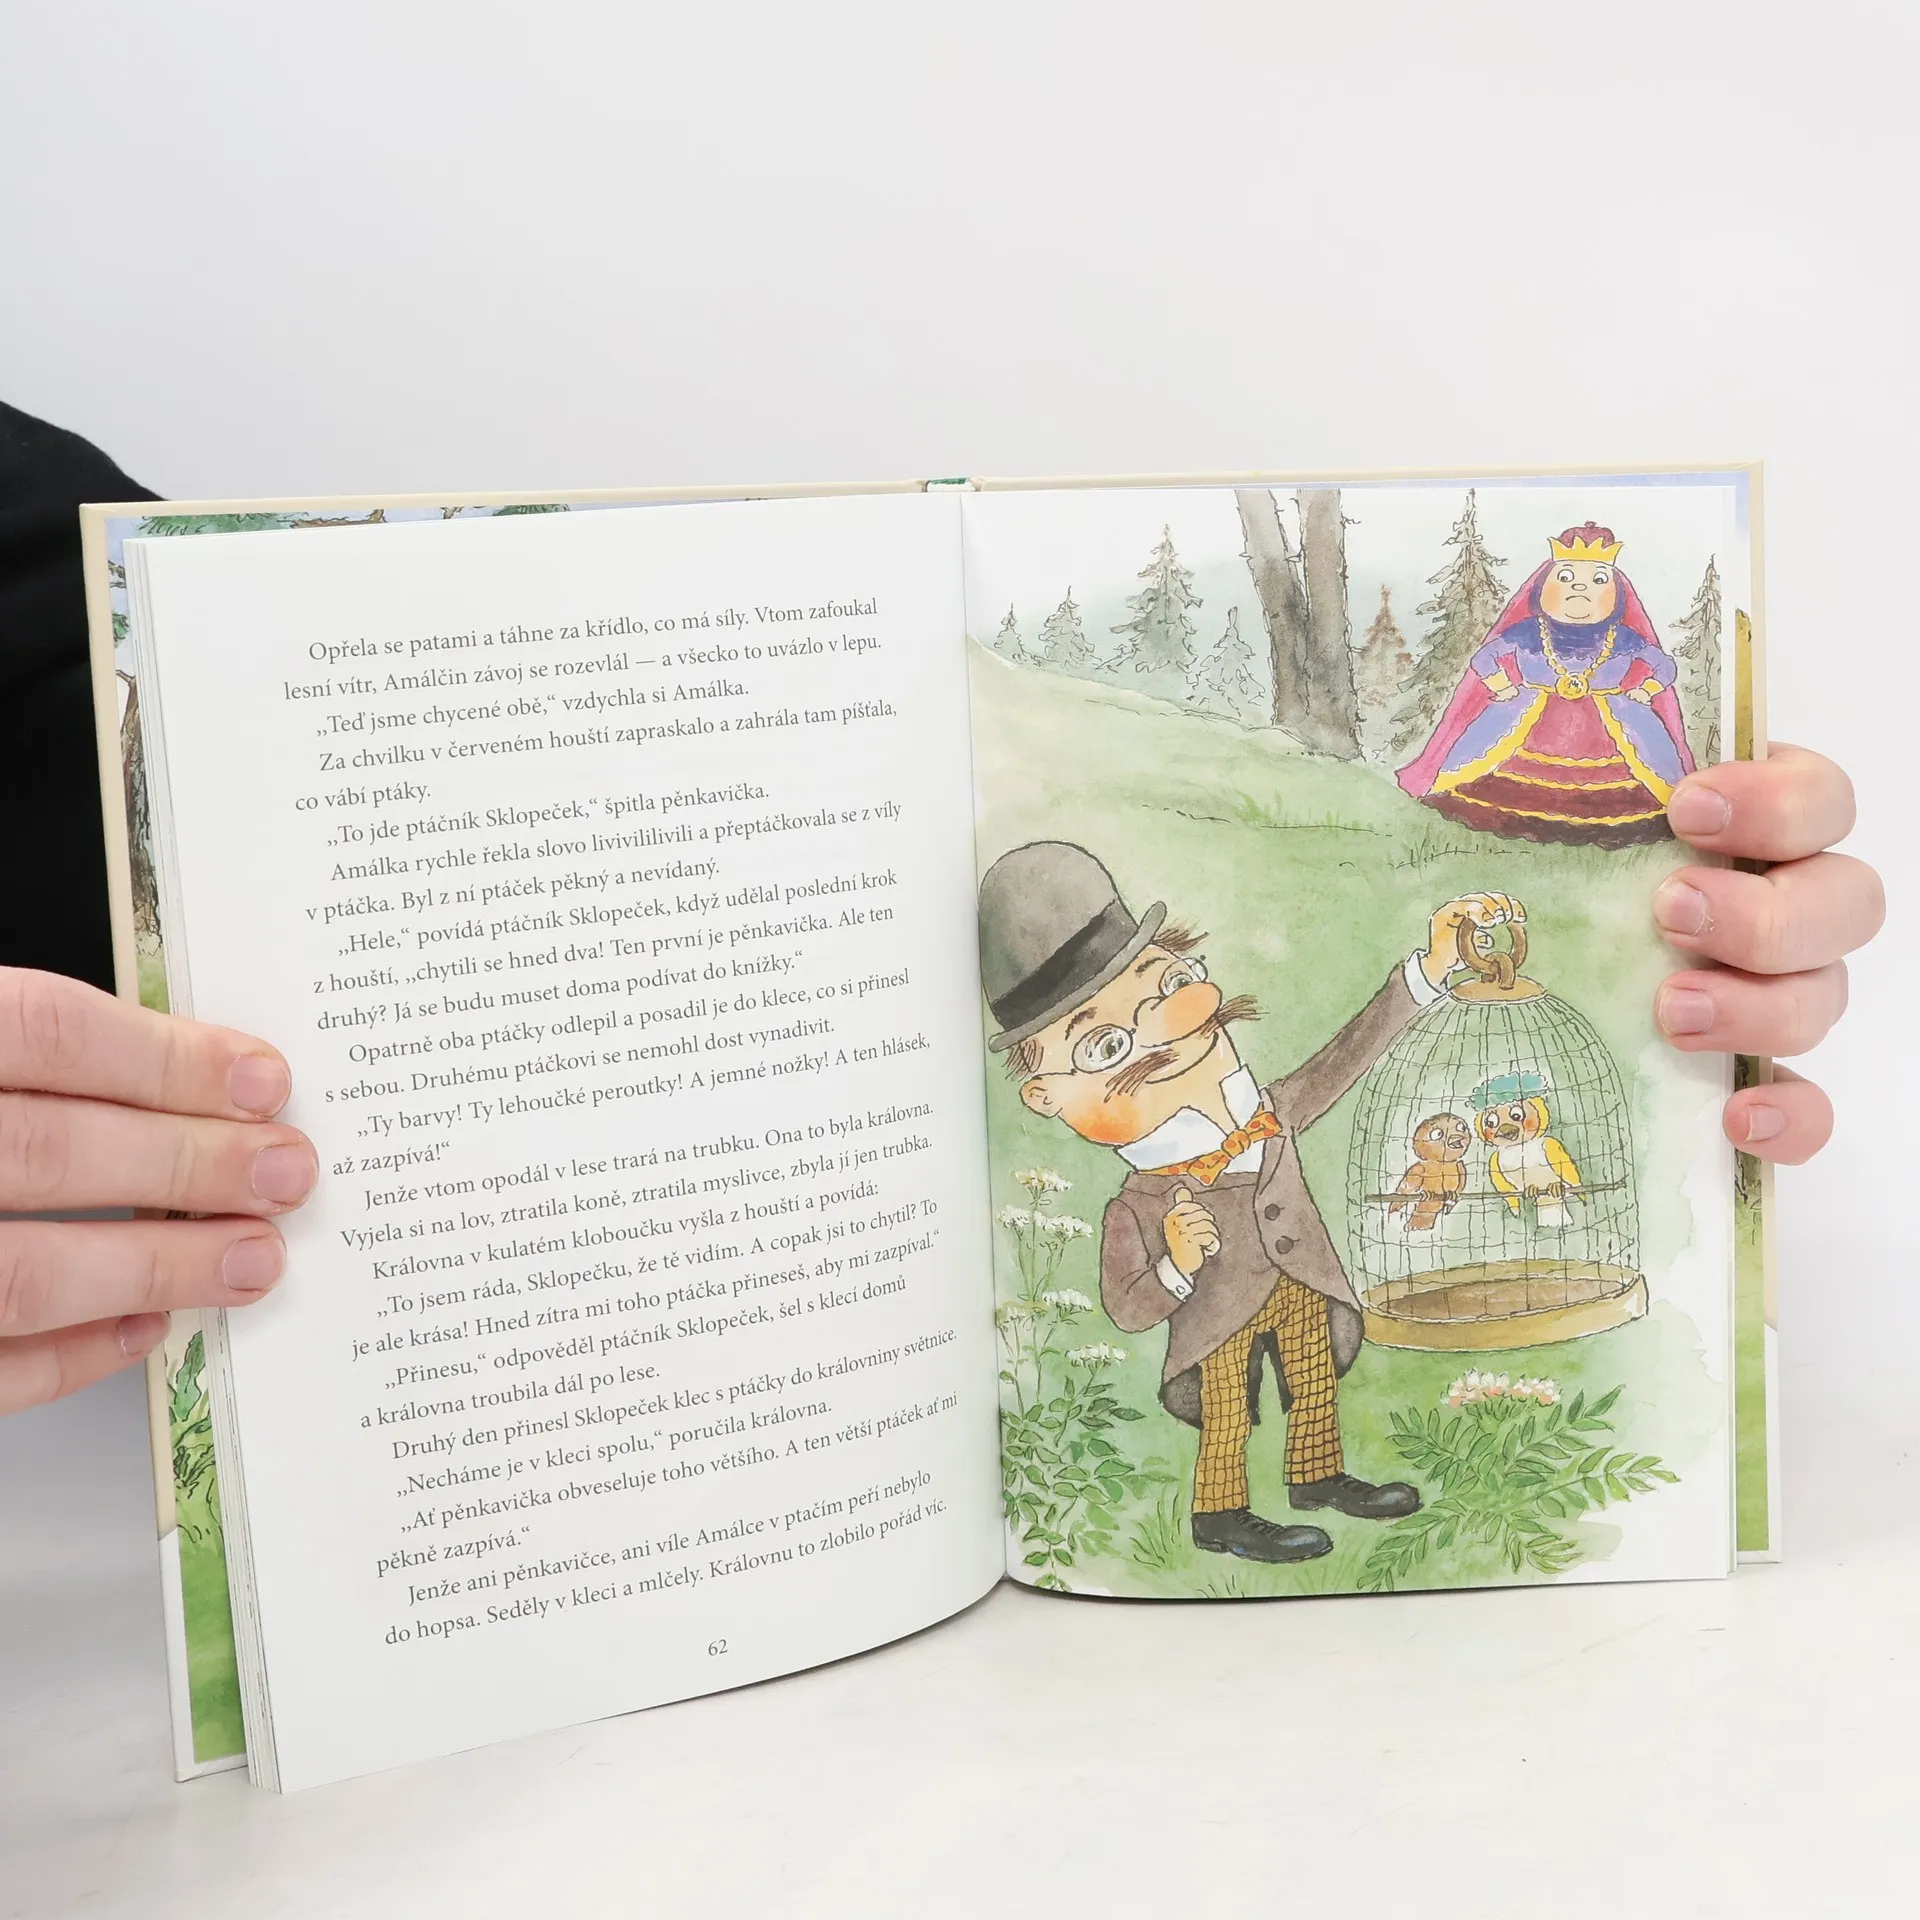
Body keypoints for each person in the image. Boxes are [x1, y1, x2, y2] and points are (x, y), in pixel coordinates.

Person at [0, 407, 1888, 1417]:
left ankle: (1315, 1470)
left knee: (1312, 1385)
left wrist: (1626, 935)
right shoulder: (1146, 1169)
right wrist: (1156, 1252)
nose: (1164, 1041)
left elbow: (145, 791)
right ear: (1053, 1088)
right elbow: (1133, 1273)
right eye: (1106, 1044)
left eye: (1161, 1005)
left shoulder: (48, 591)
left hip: (1315, 1295)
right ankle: (1239, 1490)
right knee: (1232, 1414)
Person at [1398, 523, 1696, 846]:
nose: (1579, 588)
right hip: (1527, 716)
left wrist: (1646, 689)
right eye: (1566, 578)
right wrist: (1502, 686)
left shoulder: (1623, 638)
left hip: (1613, 720)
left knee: (1643, 769)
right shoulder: (1529, 632)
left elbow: (1664, 666)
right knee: (1490, 766)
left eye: (1598, 581)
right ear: (1541, 588)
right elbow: (1484, 658)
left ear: (1619, 596)